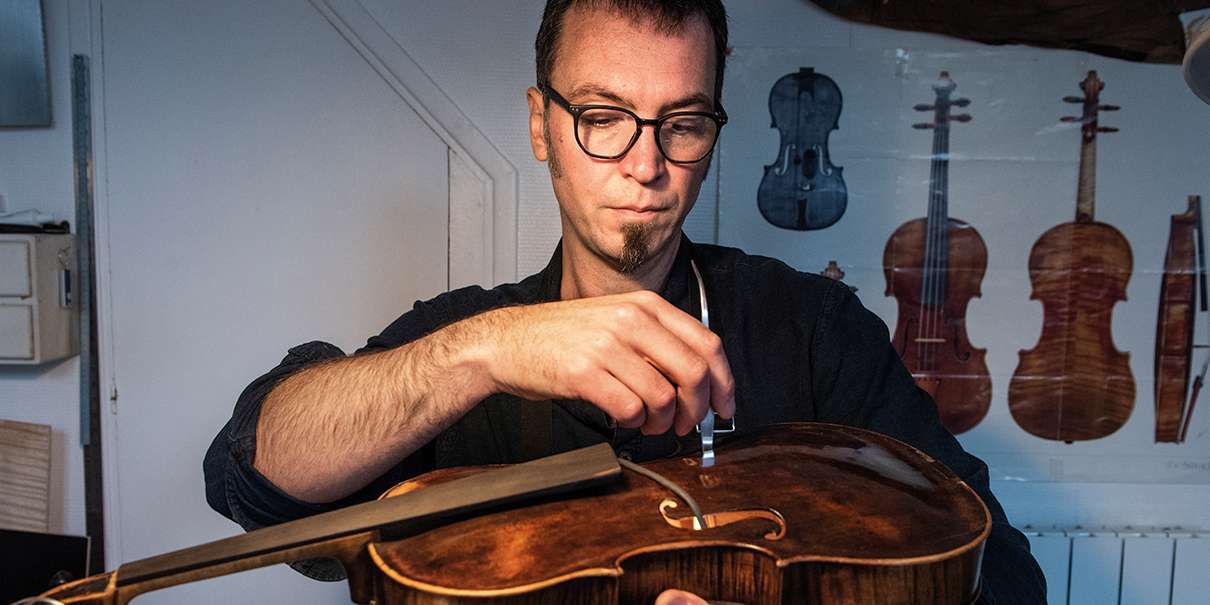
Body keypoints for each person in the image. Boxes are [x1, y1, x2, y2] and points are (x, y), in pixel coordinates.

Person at [204, 1, 1046, 602]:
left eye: (681, 122)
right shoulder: (460, 338)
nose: (646, 164)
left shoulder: (816, 330)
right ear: (541, 125)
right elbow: (252, 476)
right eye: (604, 117)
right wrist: (483, 350)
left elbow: (1001, 573)